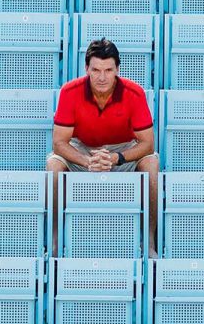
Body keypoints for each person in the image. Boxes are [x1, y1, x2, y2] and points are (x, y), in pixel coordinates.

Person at [46, 38, 160, 253]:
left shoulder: (134, 93)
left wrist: (117, 158)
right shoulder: (70, 91)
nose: (101, 77)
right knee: (53, 167)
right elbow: (59, 142)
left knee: (152, 164)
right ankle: (54, 239)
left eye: (108, 70)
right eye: (96, 70)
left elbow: (147, 143)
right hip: (82, 148)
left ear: (117, 69)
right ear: (86, 68)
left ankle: (149, 242)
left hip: (123, 149)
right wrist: (88, 161)